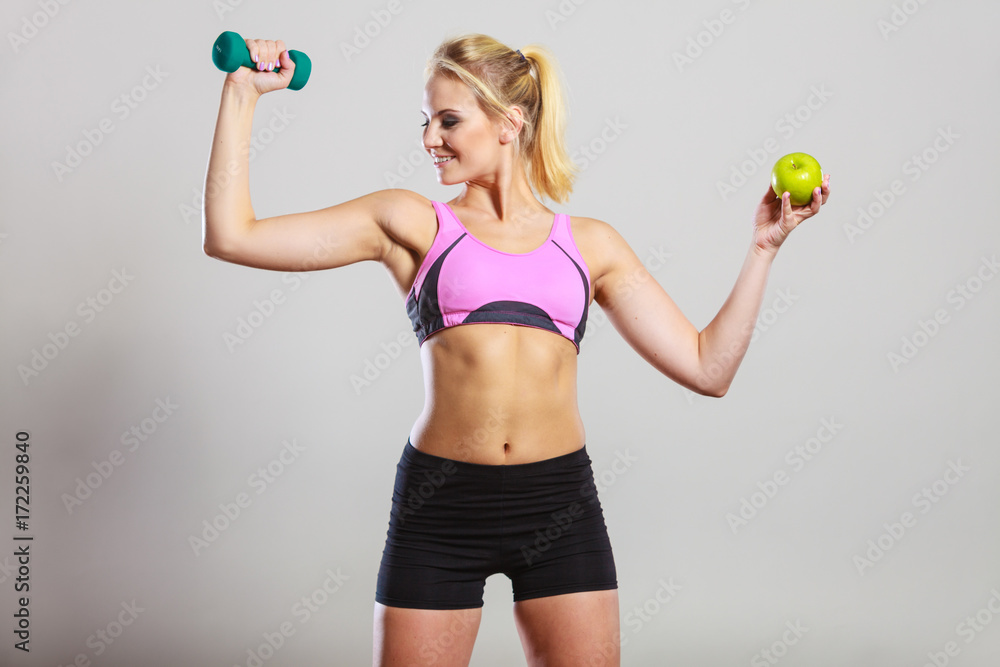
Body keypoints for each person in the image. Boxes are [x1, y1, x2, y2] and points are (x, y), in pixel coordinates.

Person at [202, 32, 831, 667]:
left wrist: (763, 249)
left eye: (449, 120)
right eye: (426, 121)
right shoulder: (411, 222)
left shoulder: (591, 245)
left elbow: (708, 368)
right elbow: (231, 236)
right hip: (441, 504)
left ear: (509, 123)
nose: (429, 139)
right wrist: (242, 93)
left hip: (558, 504)